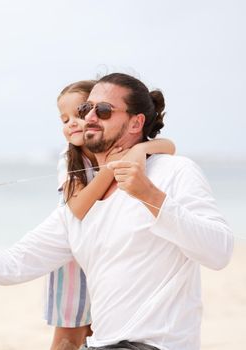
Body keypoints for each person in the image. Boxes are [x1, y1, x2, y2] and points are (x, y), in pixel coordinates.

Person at [0, 73, 234, 350]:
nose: (89, 116)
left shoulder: (173, 172)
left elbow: (219, 252)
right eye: (86, 108)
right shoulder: (79, 209)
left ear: (136, 123)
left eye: (103, 110)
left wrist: (150, 195)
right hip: (104, 344)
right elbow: (12, 264)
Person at [46, 81, 175, 350]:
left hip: (108, 254)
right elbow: (77, 207)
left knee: (100, 330)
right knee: (70, 334)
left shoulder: (114, 149)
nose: (73, 123)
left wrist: (139, 149)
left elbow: (169, 146)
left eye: (80, 114)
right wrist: (110, 168)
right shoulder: (68, 159)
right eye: (65, 118)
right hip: (73, 254)